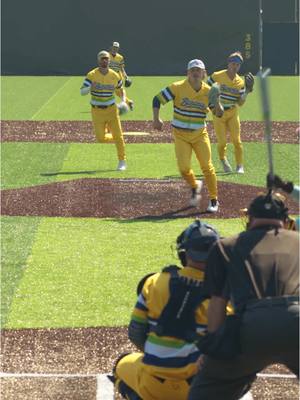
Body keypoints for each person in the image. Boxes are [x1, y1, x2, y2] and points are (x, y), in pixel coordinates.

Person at [188, 192, 299, 400]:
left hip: (250, 327)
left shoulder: (225, 246)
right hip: (298, 322)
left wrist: (212, 347)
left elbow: (217, 304)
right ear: (285, 220)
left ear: (250, 219)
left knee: (206, 393)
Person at [112, 220, 222, 399]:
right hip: (199, 390)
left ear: (183, 254)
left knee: (120, 365)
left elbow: (136, 332)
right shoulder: (224, 294)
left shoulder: (154, 282)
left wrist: (160, 355)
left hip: (153, 384)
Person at [152, 59, 224, 213]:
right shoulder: (177, 87)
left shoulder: (208, 91)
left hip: (200, 135)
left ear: (204, 74)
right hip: (180, 135)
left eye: (199, 70)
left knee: (207, 167)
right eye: (193, 70)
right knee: (184, 169)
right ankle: (194, 185)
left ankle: (213, 199)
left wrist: (217, 101)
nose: (196, 73)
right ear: (188, 73)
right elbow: (157, 99)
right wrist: (156, 118)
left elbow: (218, 114)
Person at [207, 51, 254, 174]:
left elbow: (240, 103)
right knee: (222, 142)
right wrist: (212, 107)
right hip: (219, 113)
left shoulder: (240, 82)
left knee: (237, 141)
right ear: (228, 63)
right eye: (233, 63)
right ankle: (223, 160)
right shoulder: (217, 76)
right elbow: (205, 90)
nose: (235, 66)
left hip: (232, 112)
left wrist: (247, 91)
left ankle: (239, 165)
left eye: (237, 64)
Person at [80, 50, 127, 171]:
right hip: (97, 111)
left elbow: (120, 90)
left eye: (106, 58)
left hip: (111, 110)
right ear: (98, 60)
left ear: (109, 60)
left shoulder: (114, 75)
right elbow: (82, 92)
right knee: (100, 139)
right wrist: (91, 87)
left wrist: (123, 101)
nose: (104, 60)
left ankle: (122, 161)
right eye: (102, 58)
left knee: (118, 136)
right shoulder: (91, 75)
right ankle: (117, 138)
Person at [109, 41, 134, 110]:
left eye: (116, 48)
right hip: (109, 76)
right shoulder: (107, 56)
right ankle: (129, 102)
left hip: (117, 76)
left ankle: (124, 103)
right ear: (111, 47)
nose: (115, 49)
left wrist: (126, 77)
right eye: (114, 47)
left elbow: (122, 68)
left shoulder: (120, 57)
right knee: (117, 93)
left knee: (120, 90)